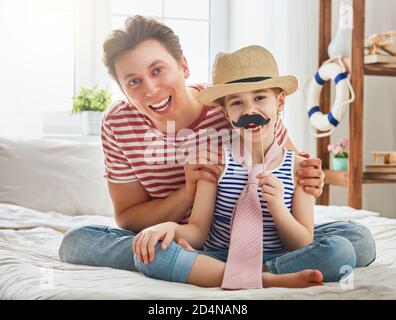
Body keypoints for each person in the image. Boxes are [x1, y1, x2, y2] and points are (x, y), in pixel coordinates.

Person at [58, 16, 375, 279]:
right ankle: (241, 270)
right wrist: (187, 192)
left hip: (264, 237)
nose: (151, 89)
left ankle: (230, 271)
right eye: (134, 82)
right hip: (192, 237)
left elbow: (294, 171)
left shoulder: (245, 104)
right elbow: (127, 218)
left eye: (157, 70)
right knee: (78, 243)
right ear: (123, 90)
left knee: (356, 240)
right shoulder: (119, 123)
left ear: (183, 66)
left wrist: (308, 178)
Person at [131, 45, 356, 287]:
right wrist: (171, 228)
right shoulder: (215, 162)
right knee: (150, 254)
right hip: (219, 255)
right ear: (226, 114)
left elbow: (301, 242)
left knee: (341, 251)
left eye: (260, 97)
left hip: (279, 256)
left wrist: (279, 209)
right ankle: (268, 279)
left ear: (280, 102)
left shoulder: (299, 168)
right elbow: (197, 231)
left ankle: (244, 273)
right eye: (237, 103)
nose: (249, 110)